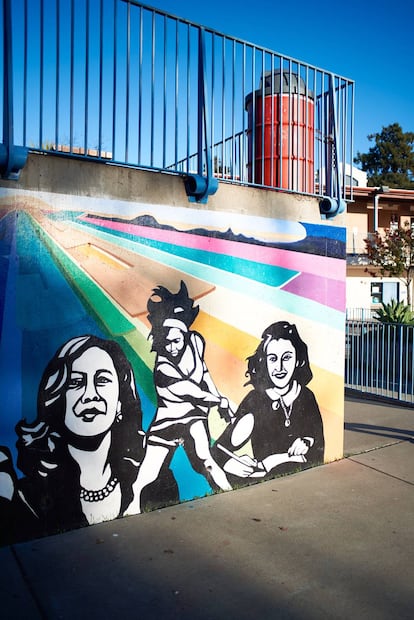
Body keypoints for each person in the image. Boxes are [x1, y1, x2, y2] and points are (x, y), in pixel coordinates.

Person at [0, 335, 177, 545]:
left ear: (120, 402)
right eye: (76, 382)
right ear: (57, 400)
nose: (90, 395)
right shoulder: (30, 497)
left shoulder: (155, 480)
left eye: (102, 380)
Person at [125, 281, 233, 516]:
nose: (172, 347)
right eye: (167, 342)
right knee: (145, 476)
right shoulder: (162, 368)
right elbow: (189, 390)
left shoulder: (196, 342)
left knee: (207, 460)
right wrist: (218, 402)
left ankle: (231, 495)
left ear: (185, 334)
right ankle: (129, 513)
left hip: (192, 417)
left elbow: (203, 373)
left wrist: (219, 397)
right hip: (166, 422)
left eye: (177, 341)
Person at [213, 321, 325, 482]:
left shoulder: (306, 396)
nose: (279, 367)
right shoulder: (255, 401)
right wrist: (232, 463)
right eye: (272, 359)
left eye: (286, 358)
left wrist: (308, 441)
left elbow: (319, 448)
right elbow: (220, 449)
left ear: (298, 360)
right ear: (264, 362)